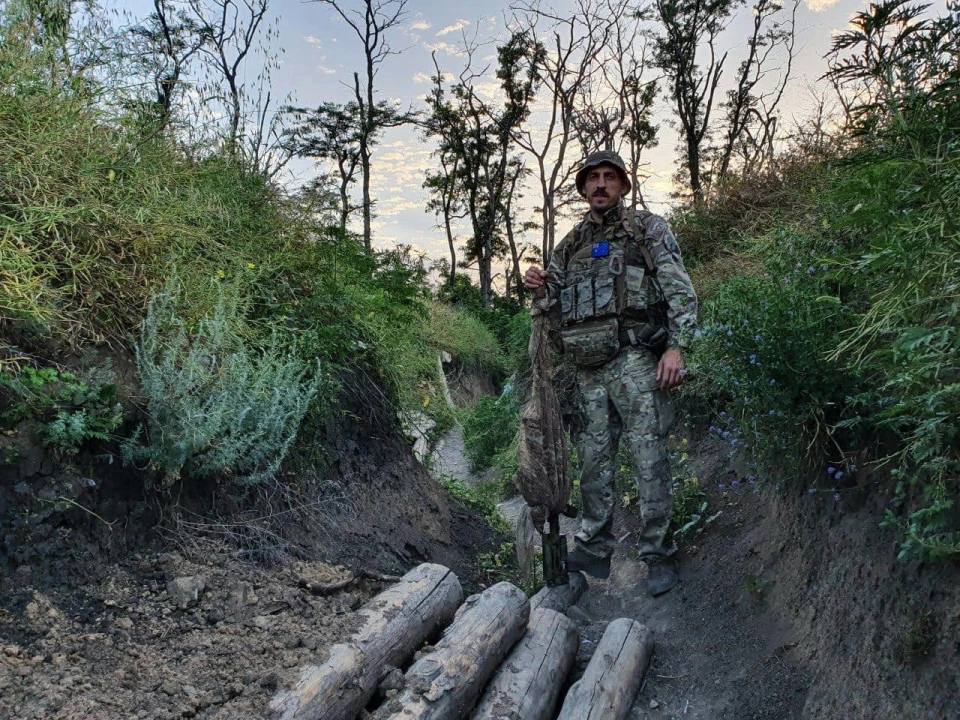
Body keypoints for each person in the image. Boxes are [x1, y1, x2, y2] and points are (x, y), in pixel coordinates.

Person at [523, 150, 697, 597]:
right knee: (594, 463)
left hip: (636, 360)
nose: (600, 185)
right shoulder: (571, 243)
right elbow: (553, 302)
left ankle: (658, 553)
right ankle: (596, 550)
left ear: (623, 185)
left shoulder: (646, 229)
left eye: (609, 178)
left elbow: (679, 287)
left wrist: (677, 348)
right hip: (588, 371)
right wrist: (539, 285)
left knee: (648, 457)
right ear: (583, 189)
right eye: (592, 179)